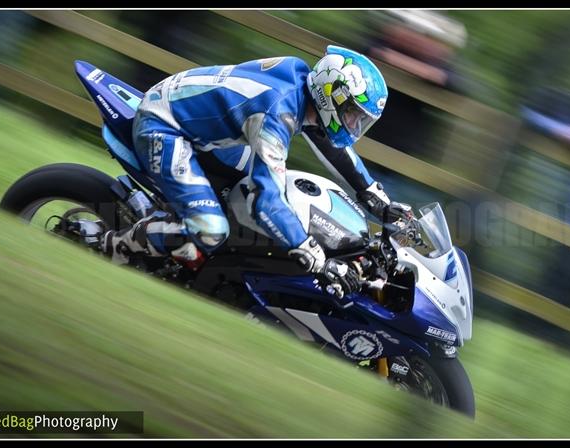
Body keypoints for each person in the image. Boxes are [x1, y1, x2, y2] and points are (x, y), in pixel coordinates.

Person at [76, 46, 413, 297]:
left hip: (204, 131)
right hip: (165, 126)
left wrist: (375, 196)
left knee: (238, 201)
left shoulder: (303, 85)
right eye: (353, 113)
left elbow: (331, 145)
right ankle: (107, 244)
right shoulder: (276, 112)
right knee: (211, 229)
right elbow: (266, 201)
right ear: (330, 95)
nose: (354, 124)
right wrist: (316, 257)